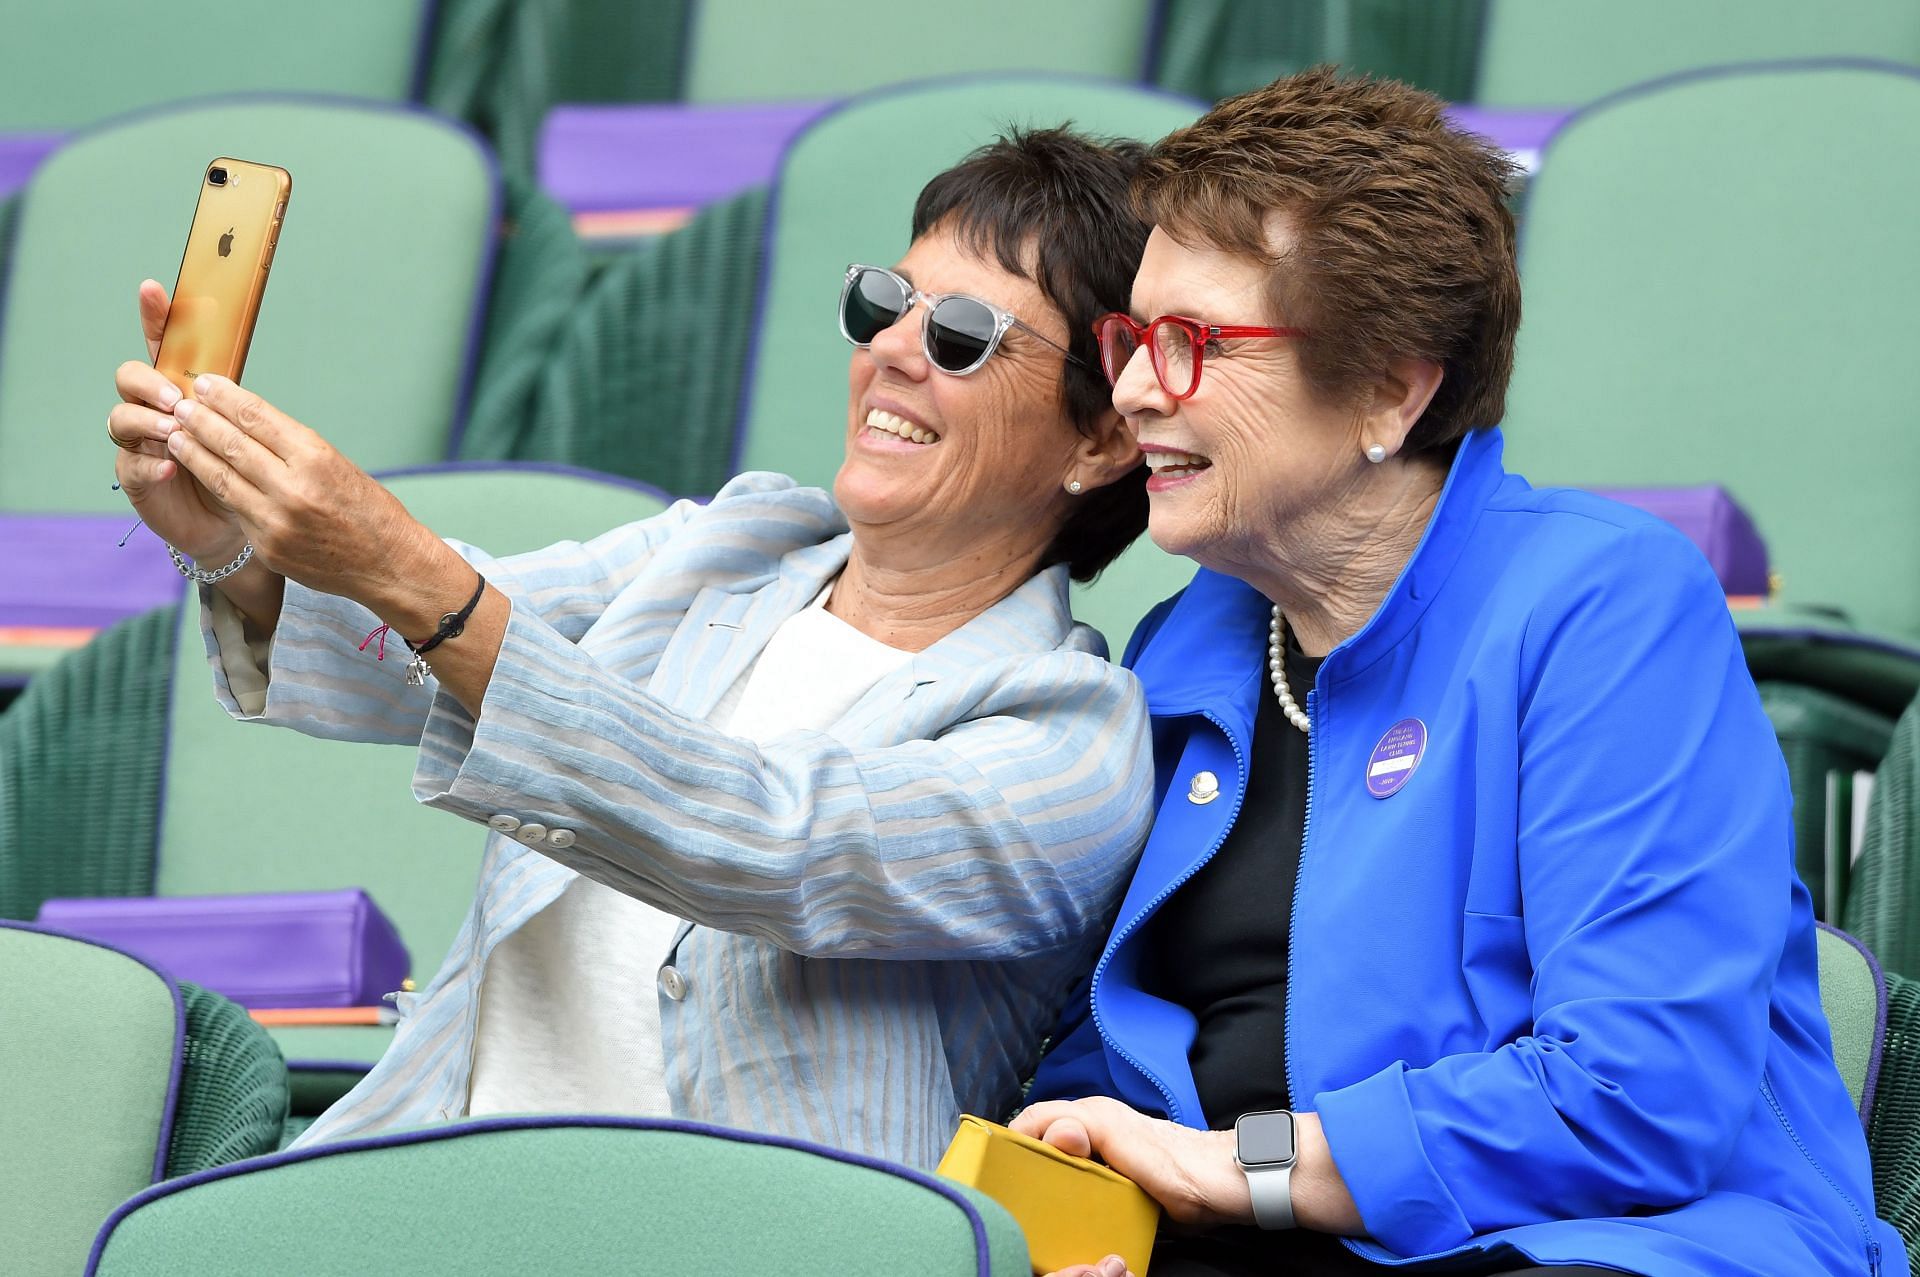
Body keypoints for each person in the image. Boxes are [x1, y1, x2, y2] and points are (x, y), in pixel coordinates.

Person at [105, 128, 1157, 1171]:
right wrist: (224, 534)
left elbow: (774, 834)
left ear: (1102, 439)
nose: (889, 351)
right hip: (435, 1179)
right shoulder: (739, 539)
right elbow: (437, 648)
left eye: (963, 334)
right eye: (884, 305)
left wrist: (402, 564)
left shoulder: (1073, 736)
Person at [1014, 69, 1903, 1277]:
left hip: (1600, 1248)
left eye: (1193, 344)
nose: (1128, 389)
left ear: (1394, 385)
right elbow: (1099, 1055)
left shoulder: (1604, 604)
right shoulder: (1192, 640)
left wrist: (1243, 1168)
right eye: (1131, 336)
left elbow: (1637, 1095)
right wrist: (1083, 1206)